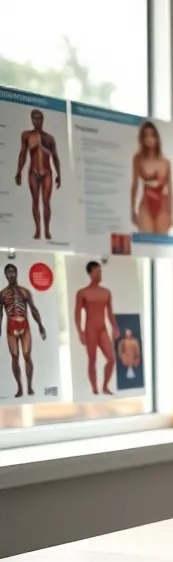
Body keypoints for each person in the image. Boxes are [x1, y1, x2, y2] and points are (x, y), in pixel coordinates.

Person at [14, 109, 61, 241]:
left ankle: (47, 230)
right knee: (35, 201)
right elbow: (23, 154)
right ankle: (38, 229)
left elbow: (55, 157)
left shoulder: (49, 138)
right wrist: (19, 171)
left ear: (43, 120)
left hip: (47, 172)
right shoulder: (26, 135)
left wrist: (59, 174)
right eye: (35, 118)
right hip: (33, 172)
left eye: (40, 118)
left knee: (46, 201)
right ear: (32, 119)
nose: (37, 121)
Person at [2, 262, 46, 397]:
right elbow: (0, 313)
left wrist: (40, 325)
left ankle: (29, 387)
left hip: (24, 325)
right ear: (5, 275)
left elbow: (33, 309)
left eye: (13, 272)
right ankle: (20, 388)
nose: (11, 274)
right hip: (10, 326)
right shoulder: (2, 294)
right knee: (14, 357)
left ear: (16, 273)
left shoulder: (24, 291)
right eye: (8, 272)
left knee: (27, 356)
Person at [73, 261, 118, 395]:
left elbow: (110, 313)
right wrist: (80, 332)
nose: (100, 274)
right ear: (91, 273)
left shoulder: (106, 292)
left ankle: (105, 386)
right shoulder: (82, 293)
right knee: (92, 359)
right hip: (90, 330)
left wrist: (115, 327)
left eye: (101, 272)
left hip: (102, 329)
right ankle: (94, 388)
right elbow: (77, 313)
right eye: (97, 272)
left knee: (111, 359)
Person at [131, 120, 173, 235]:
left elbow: (170, 190)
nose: (149, 139)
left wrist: (172, 214)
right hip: (146, 205)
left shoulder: (165, 162)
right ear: (142, 139)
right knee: (147, 241)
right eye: (146, 136)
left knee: (161, 242)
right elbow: (134, 185)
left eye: (152, 135)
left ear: (157, 138)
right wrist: (132, 211)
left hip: (163, 206)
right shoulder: (138, 159)